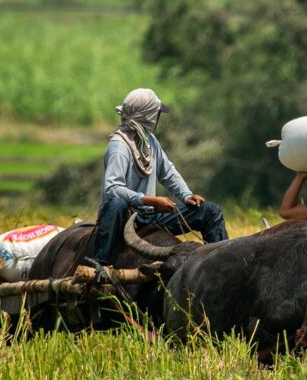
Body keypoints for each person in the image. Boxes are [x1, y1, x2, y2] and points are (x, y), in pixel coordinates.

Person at [92, 88, 228, 265]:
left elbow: (168, 172)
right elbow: (112, 189)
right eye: (156, 114)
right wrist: (150, 201)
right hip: (123, 217)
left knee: (210, 212)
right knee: (117, 203)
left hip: (149, 215)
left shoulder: (150, 141)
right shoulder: (119, 147)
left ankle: (219, 263)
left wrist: (186, 195)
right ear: (149, 117)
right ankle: (100, 263)